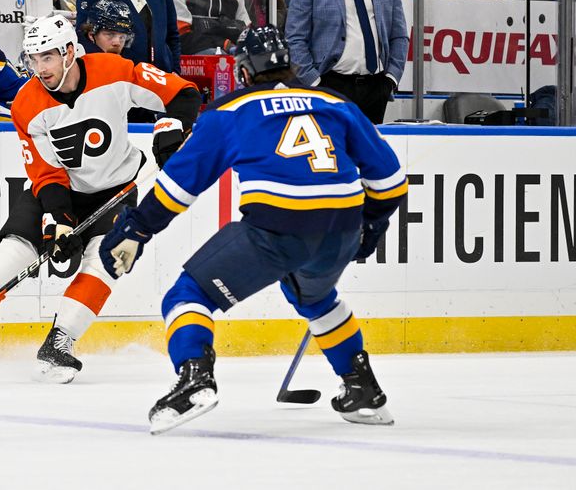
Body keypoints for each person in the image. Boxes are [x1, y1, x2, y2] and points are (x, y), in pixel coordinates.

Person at [99, 25, 406, 434]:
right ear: (291, 64)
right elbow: (390, 182)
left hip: (277, 225)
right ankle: (362, 389)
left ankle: (194, 378)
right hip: (343, 226)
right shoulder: (337, 103)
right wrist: (371, 225)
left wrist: (136, 228)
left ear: (244, 71)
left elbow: (178, 187)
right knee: (312, 296)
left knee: (188, 294)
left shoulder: (229, 111)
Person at [0, 15, 201, 382]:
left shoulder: (113, 70)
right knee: (11, 257)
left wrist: (172, 126)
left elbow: (183, 93)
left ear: (70, 52)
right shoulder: (26, 103)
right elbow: (46, 172)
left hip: (115, 193)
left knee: (107, 262)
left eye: (48, 57)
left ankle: (60, 341)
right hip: (55, 195)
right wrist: (58, 222)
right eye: (33, 59)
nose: (40, 68)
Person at [285, 0, 408, 124]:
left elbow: (399, 35)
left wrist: (391, 79)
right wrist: (314, 82)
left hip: (377, 86)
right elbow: (295, 38)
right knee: (334, 147)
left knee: (369, 148)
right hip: (330, 84)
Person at [76, 0, 181, 74]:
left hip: (161, 75)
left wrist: (175, 69)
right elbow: (83, 32)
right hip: (120, 78)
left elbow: (171, 31)